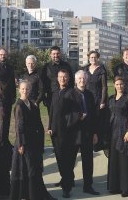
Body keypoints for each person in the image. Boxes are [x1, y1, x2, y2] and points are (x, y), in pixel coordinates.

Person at [10, 80, 55, 200]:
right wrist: (21, 144)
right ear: (19, 90)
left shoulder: (32, 104)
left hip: (33, 142)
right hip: (24, 143)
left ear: (30, 90)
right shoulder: (19, 106)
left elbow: (38, 122)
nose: (25, 91)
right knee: (28, 170)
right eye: (23, 89)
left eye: (27, 89)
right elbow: (19, 127)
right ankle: (30, 195)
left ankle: (36, 194)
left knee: (34, 169)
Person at [107, 76, 128, 197]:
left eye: (121, 84)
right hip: (113, 132)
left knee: (125, 160)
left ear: (124, 85)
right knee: (115, 159)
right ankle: (115, 186)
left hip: (124, 130)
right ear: (114, 86)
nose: (119, 86)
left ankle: (127, 188)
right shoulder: (111, 98)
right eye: (117, 84)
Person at [68, 70, 100, 195]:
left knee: (88, 161)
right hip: (74, 133)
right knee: (70, 161)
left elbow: (94, 116)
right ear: (76, 80)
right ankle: (68, 185)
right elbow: (66, 114)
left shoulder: (89, 95)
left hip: (87, 132)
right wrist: (78, 116)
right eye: (80, 79)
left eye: (84, 78)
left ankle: (88, 186)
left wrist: (95, 133)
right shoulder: (70, 94)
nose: (82, 80)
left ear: (87, 80)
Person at [47, 69, 76, 198]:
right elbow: (52, 111)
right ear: (57, 78)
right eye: (60, 77)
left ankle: (67, 187)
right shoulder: (54, 93)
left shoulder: (72, 93)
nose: (62, 79)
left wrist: (67, 125)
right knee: (59, 158)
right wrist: (49, 126)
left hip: (67, 132)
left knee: (67, 160)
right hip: (55, 131)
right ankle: (64, 179)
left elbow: (75, 113)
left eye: (64, 77)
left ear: (68, 78)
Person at [82, 50, 108, 152]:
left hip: (97, 99)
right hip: (87, 98)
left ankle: (97, 144)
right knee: (87, 120)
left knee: (97, 121)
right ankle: (87, 143)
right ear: (89, 58)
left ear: (98, 58)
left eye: (95, 57)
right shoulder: (85, 69)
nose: (93, 59)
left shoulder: (101, 70)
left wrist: (102, 101)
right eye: (91, 57)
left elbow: (104, 87)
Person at [0, 48, 16, 140]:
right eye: (1, 54)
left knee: (7, 120)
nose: (3, 56)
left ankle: (5, 140)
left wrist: (14, 96)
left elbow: (12, 83)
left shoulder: (10, 67)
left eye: (4, 54)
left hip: (8, 98)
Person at [41, 46, 74, 113]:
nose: (56, 55)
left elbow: (71, 81)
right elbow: (42, 83)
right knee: (53, 118)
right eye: (54, 54)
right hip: (51, 97)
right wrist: (44, 97)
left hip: (66, 96)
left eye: (57, 53)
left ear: (60, 54)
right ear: (50, 55)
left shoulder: (66, 65)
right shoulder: (46, 67)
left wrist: (71, 94)